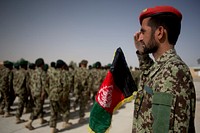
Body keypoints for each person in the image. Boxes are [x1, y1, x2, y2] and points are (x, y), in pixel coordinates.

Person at [132, 6, 196, 132]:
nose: (140, 38)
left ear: (160, 32)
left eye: (143, 32)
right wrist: (142, 52)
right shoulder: (163, 67)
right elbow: (149, 72)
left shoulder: (173, 72)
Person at [46, 60, 72, 133]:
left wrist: (49, 92)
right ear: (63, 66)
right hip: (60, 96)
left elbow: (46, 84)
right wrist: (65, 96)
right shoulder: (63, 73)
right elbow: (66, 86)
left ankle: (52, 129)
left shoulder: (50, 73)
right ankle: (65, 123)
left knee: (53, 112)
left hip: (52, 95)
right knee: (66, 109)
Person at [25, 58, 48, 130]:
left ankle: (41, 119)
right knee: (38, 108)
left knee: (39, 106)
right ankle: (29, 122)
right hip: (39, 93)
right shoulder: (42, 72)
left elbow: (30, 83)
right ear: (42, 64)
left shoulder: (33, 72)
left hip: (34, 92)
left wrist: (31, 92)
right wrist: (43, 93)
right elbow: (44, 84)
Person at [13, 60, 29, 124]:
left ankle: (25, 110)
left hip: (17, 90)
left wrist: (15, 90)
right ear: (25, 65)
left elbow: (14, 82)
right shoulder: (25, 73)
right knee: (20, 104)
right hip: (23, 91)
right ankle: (17, 118)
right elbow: (27, 83)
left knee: (22, 103)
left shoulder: (16, 72)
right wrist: (28, 91)